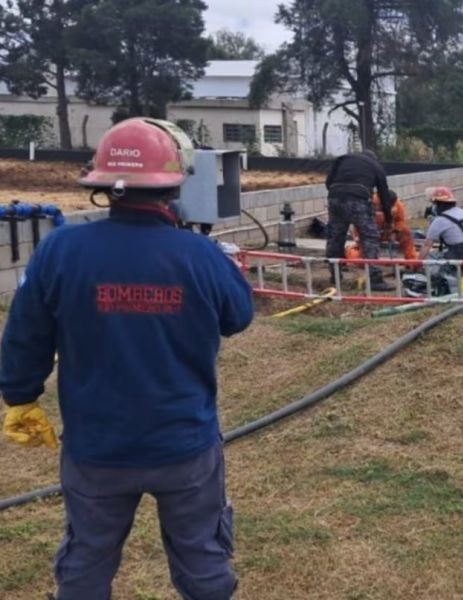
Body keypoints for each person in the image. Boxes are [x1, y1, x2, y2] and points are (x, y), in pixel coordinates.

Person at [0, 118, 254, 600]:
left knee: (86, 561)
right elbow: (237, 317)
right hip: (184, 447)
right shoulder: (200, 255)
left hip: (97, 448)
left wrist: (19, 395)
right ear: (176, 180)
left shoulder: (60, 249)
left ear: (102, 185)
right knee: (202, 559)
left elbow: (25, 334)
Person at [325, 150, 395, 291]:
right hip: (358, 199)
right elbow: (384, 195)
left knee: (335, 236)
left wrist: (339, 194)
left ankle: (335, 275)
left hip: (335, 197)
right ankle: (374, 279)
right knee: (369, 237)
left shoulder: (343, 158)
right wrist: (388, 219)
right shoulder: (376, 166)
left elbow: (328, 182)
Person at [420, 186, 463, 262]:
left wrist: (417, 264)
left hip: (460, 254)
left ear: (438, 204)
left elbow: (427, 245)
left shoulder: (440, 220)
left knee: (431, 257)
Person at [371, 190, 418, 260]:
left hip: (389, 231)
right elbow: (360, 223)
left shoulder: (398, 204)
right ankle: (350, 251)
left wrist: (395, 231)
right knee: (362, 258)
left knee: (406, 233)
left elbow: (401, 220)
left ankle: (411, 261)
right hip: (371, 233)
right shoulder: (370, 202)